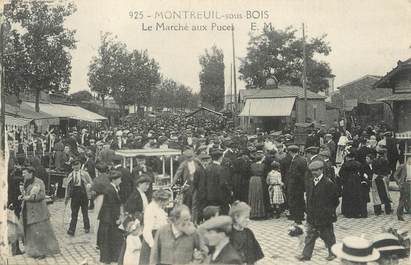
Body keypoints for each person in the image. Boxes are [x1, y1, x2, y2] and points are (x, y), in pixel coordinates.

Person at [296, 161, 339, 261]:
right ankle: (306, 255)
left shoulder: (328, 183)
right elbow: (309, 197)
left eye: (316, 170)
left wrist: (328, 211)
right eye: (312, 171)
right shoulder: (310, 182)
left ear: (321, 170)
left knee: (328, 235)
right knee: (310, 235)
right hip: (312, 214)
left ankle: (333, 253)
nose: (314, 172)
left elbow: (335, 201)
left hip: (324, 215)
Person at [19, 166, 60, 259]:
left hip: (38, 211)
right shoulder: (27, 181)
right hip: (28, 210)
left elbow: (41, 196)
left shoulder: (39, 182)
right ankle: (34, 251)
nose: (23, 175)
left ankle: (42, 252)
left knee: (40, 232)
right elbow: (27, 194)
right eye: (23, 173)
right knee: (32, 232)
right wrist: (22, 196)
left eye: (25, 173)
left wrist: (27, 198)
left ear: (31, 173)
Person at [97, 170, 125, 264]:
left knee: (110, 239)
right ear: (114, 180)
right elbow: (112, 206)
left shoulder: (114, 188)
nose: (121, 180)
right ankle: (109, 259)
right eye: (119, 179)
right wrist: (117, 218)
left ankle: (111, 258)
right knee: (108, 239)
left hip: (108, 218)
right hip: (108, 219)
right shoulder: (110, 190)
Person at [140, 189, 171, 265]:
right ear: (160, 201)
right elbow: (147, 231)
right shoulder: (150, 209)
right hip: (152, 240)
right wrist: (152, 245)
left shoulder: (159, 208)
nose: (166, 205)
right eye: (166, 202)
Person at [65, 159, 93, 236]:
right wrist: (67, 197)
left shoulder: (85, 174)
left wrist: (89, 191)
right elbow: (68, 187)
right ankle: (71, 230)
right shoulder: (70, 175)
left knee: (85, 212)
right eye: (74, 165)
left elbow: (90, 182)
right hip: (74, 195)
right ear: (72, 166)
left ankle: (87, 227)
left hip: (83, 194)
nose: (76, 166)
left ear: (80, 165)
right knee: (74, 213)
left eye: (77, 165)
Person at [286, 145, 307, 230]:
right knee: (300, 201)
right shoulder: (303, 159)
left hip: (295, 185)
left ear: (291, 152)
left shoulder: (295, 161)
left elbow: (294, 174)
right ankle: (300, 217)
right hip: (301, 185)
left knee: (295, 202)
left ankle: (297, 220)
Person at [339, 152, 363, 218]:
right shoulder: (358, 164)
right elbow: (361, 173)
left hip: (348, 181)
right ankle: (357, 212)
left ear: (348, 157)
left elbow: (340, 173)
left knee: (347, 196)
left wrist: (344, 179)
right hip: (356, 180)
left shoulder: (345, 164)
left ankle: (348, 212)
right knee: (356, 195)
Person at [370, 149, 392, 215]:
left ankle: (377, 210)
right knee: (385, 193)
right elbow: (388, 170)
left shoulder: (374, 161)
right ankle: (387, 209)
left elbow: (373, 169)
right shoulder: (386, 161)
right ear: (384, 154)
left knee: (376, 194)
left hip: (376, 177)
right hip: (383, 177)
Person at [248, 150, 267, 219]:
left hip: (252, 180)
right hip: (259, 180)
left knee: (253, 196)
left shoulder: (252, 165)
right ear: (262, 158)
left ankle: (253, 213)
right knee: (260, 196)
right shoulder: (263, 165)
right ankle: (260, 213)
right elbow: (265, 174)